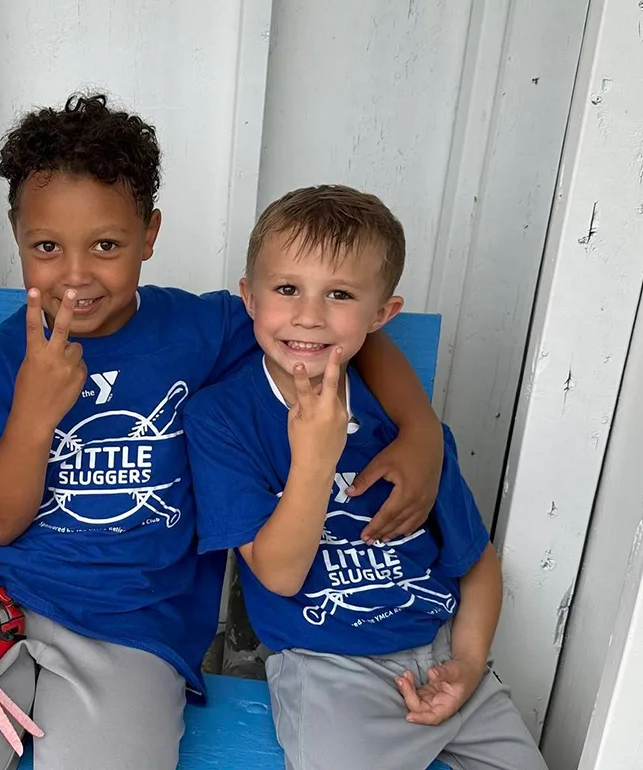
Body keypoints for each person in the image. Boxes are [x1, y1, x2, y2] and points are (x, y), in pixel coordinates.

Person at [0, 95, 447, 770]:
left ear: (149, 234)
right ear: (17, 238)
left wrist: (421, 432)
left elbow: (334, 332)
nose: (76, 274)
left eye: (107, 245)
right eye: (45, 247)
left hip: (133, 628)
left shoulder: (202, 331)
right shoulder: (6, 358)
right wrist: (34, 416)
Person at [185, 184, 547, 770]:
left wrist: (469, 662)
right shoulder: (223, 417)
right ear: (249, 298)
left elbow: (476, 562)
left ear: (382, 314)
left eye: (340, 294)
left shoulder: (410, 433)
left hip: (440, 653)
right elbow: (277, 575)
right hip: (328, 668)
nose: (308, 315)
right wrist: (314, 457)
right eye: (286, 289)